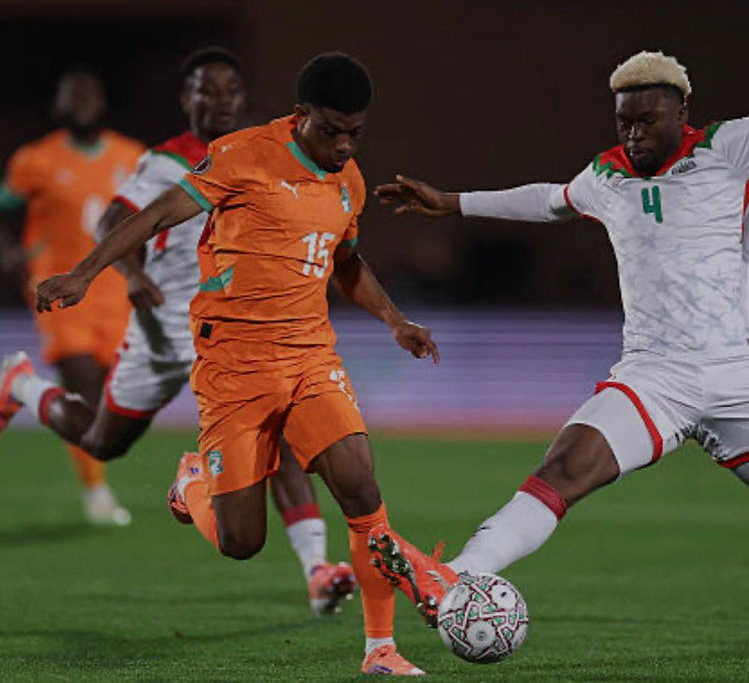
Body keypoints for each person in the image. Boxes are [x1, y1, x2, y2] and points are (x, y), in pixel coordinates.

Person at [368, 0, 749, 667]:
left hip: (734, 378)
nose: (632, 134)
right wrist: (452, 203)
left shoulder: (732, 148)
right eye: (623, 121)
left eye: (646, 120)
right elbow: (547, 199)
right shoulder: (606, 175)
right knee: (565, 467)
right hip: (653, 376)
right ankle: (458, 576)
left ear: (679, 113)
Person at [33, 51, 438, 676]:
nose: (344, 145)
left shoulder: (348, 179)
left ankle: (379, 649)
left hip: (310, 356)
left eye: (355, 134)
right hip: (235, 364)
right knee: (241, 541)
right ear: (300, 115)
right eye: (332, 131)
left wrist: (395, 320)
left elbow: (346, 262)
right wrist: (85, 274)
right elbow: (155, 213)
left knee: (362, 491)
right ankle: (192, 483)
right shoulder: (242, 154)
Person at [0, 47, 353, 615]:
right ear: (187, 99)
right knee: (102, 441)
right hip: (164, 331)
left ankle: (317, 570)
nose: (221, 101)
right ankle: (21, 384)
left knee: (279, 437)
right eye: (207, 90)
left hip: (231, 331)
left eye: (231, 90)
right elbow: (113, 221)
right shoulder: (164, 162)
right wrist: (132, 274)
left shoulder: (262, 155)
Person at [0, 68, 141, 526]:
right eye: (72, 96)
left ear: (104, 102)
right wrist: (10, 253)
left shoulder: (132, 156)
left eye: (89, 95)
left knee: (114, 408)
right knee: (85, 390)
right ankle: (96, 491)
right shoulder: (35, 160)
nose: (82, 103)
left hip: (116, 296)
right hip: (57, 291)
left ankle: (21, 387)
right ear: (58, 105)